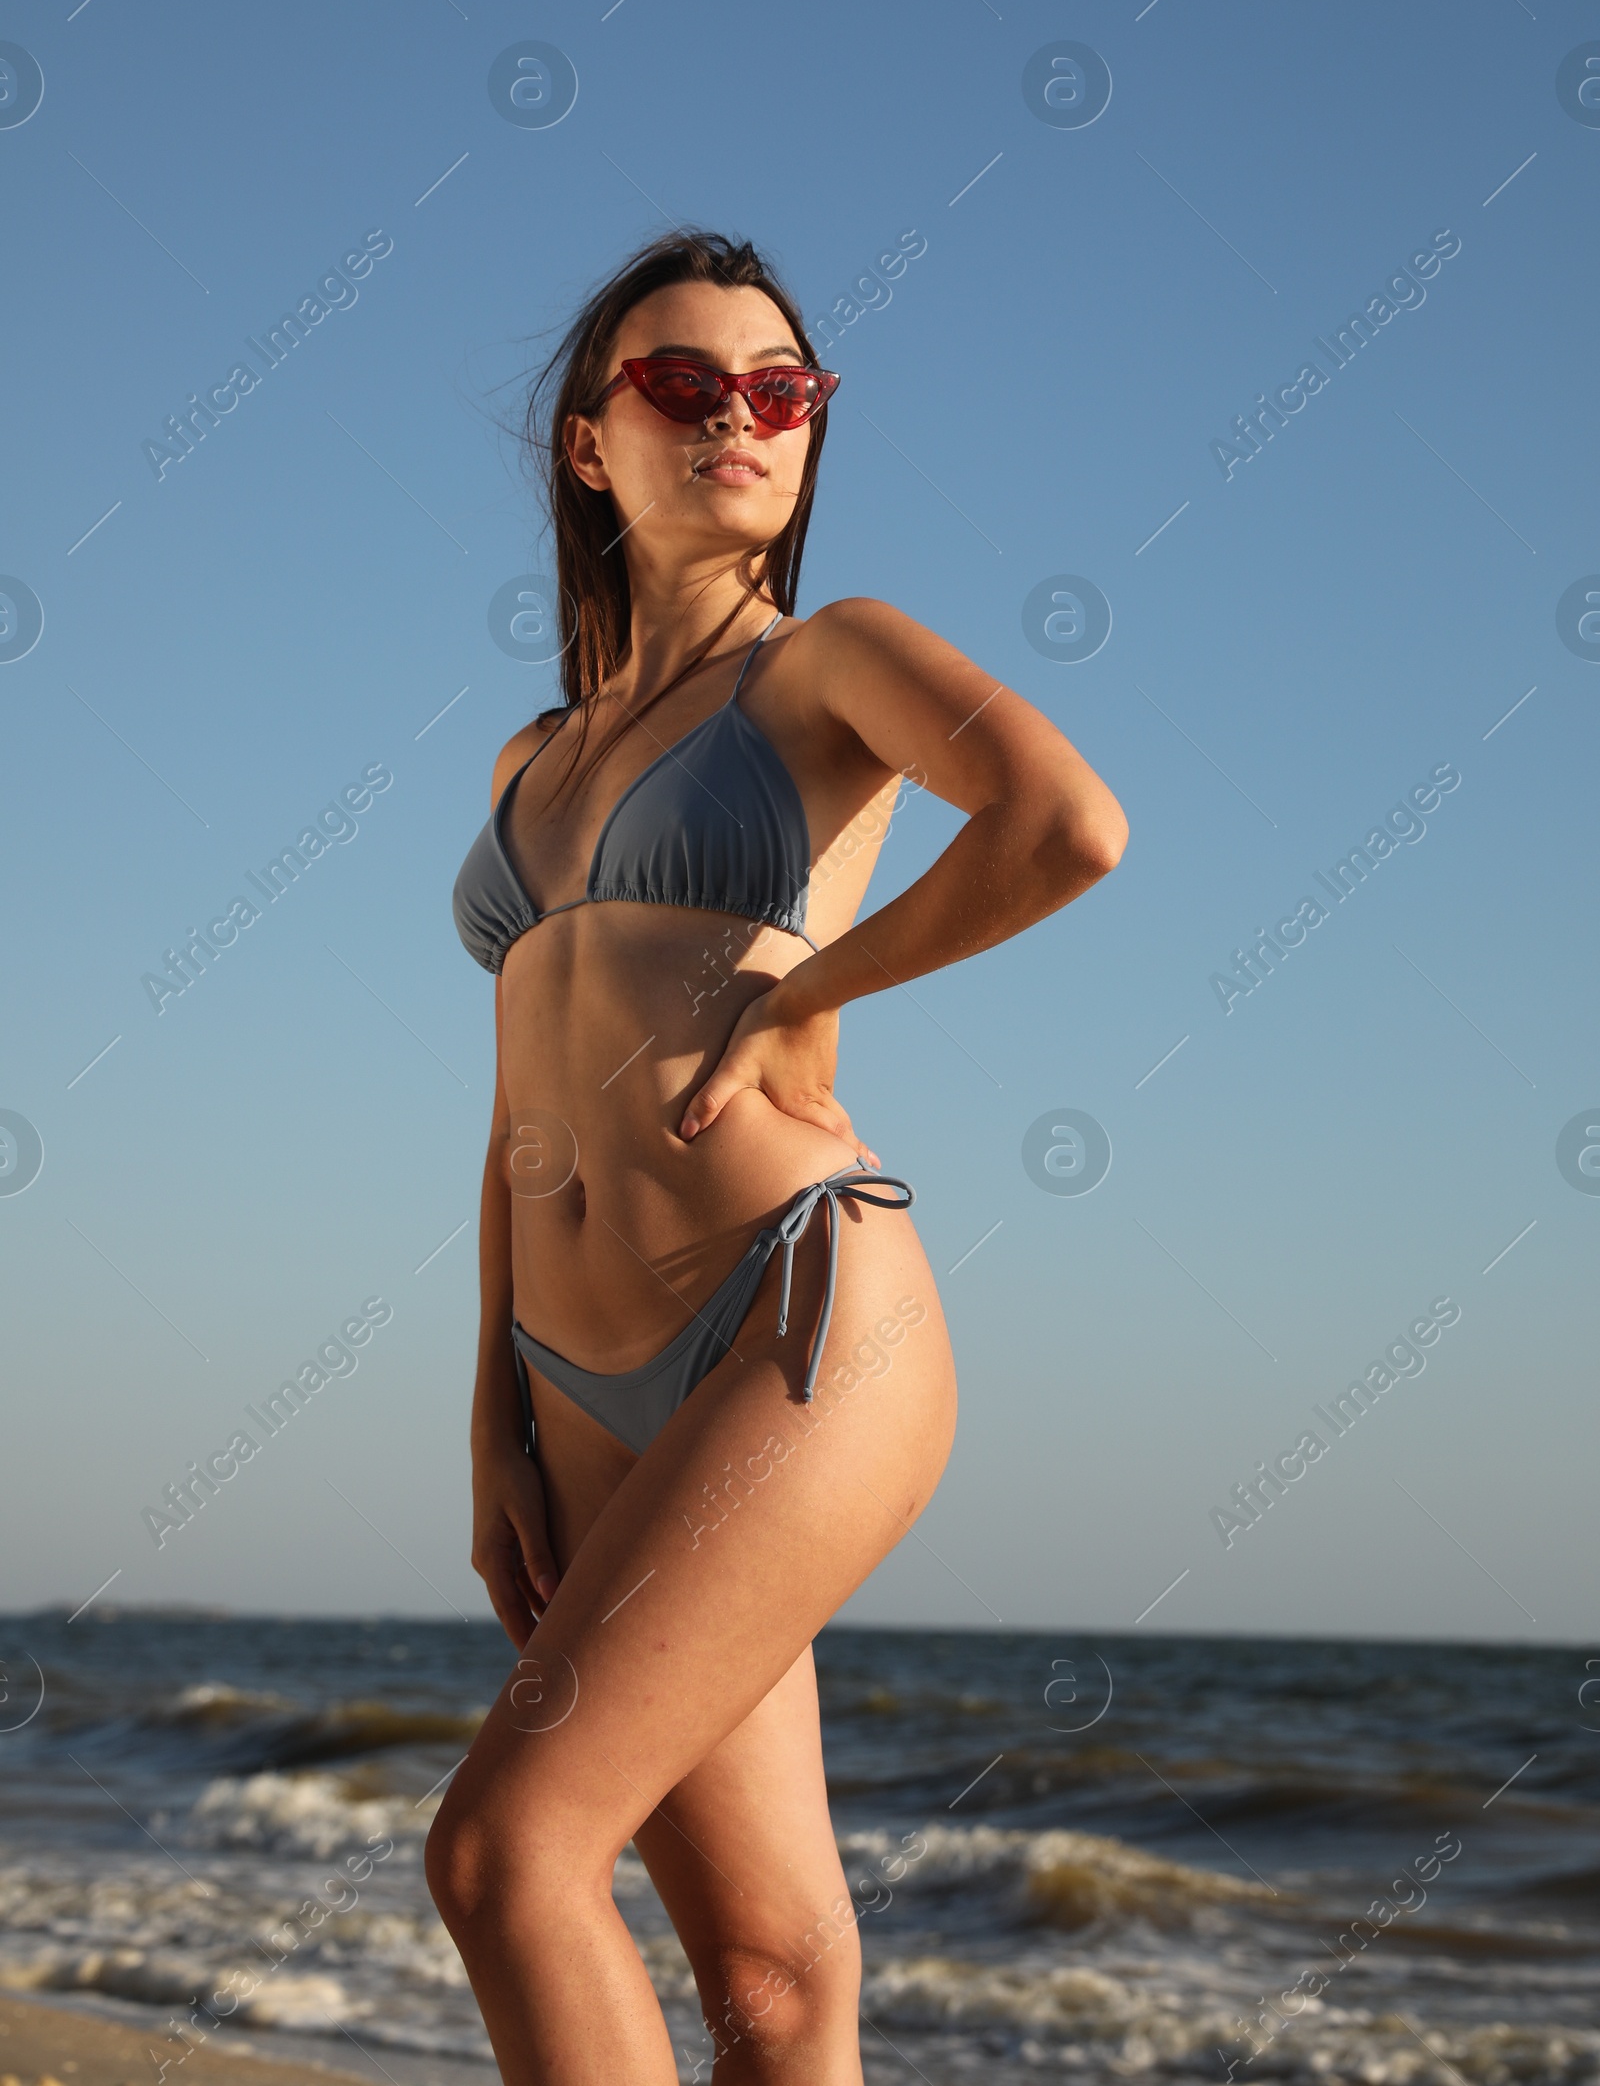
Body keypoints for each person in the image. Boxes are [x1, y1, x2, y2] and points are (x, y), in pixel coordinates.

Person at [425, 230, 1127, 2083]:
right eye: (680, 384)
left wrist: (807, 982)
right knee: (773, 1973)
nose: (737, 416)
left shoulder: (829, 661)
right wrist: (489, 1405)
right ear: (590, 443)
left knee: (506, 1856)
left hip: (794, 1318)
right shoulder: (532, 755)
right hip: (569, 1391)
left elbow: (1067, 826)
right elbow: (512, 1100)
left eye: (780, 391)